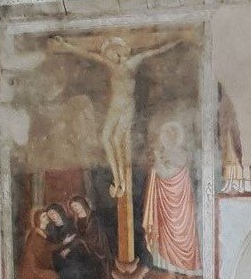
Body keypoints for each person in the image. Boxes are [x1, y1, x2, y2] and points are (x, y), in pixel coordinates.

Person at [52, 34, 182, 198]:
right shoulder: (111, 65)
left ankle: (122, 181)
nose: (109, 56)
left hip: (126, 106)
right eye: (108, 54)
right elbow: (88, 54)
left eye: (111, 53)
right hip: (115, 106)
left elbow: (156, 50)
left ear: (120, 51)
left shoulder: (133, 62)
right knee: (106, 138)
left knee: (117, 139)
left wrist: (176, 40)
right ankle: (118, 179)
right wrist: (66, 45)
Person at [143, 121, 202, 275]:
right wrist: (157, 161)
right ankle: (169, 270)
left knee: (182, 233)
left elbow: (167, 174)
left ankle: (185, 270)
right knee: (165, 234)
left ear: (177, 137)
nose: (169, 138)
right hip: (165, 204)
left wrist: (157, 160)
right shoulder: (163, 153)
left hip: (181, 203)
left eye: (172, 134)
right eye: (166, 135)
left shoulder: (182, 154)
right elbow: (161, 173)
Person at [51, 204, 110, 279]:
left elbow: (83, 239)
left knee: (79, 269)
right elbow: (73, 239)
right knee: (70, 269)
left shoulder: (89, 220)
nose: (75, 209)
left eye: (76, 205)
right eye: (73, 207)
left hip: (92, 251)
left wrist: (69, 248)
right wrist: (65, 246)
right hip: (76, 252)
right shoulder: (71, 222)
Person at [15, 206, 64, 279]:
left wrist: (62, 244)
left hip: (39, 267)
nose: (47, 218)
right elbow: (43, 252)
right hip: (33, 271)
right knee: (53, 278)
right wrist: (63, 244)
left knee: (55, 275)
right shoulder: (35, 234)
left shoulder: (44, 232)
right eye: (44, 216)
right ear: (38, 219)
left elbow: (48, 248)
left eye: (47, 216)